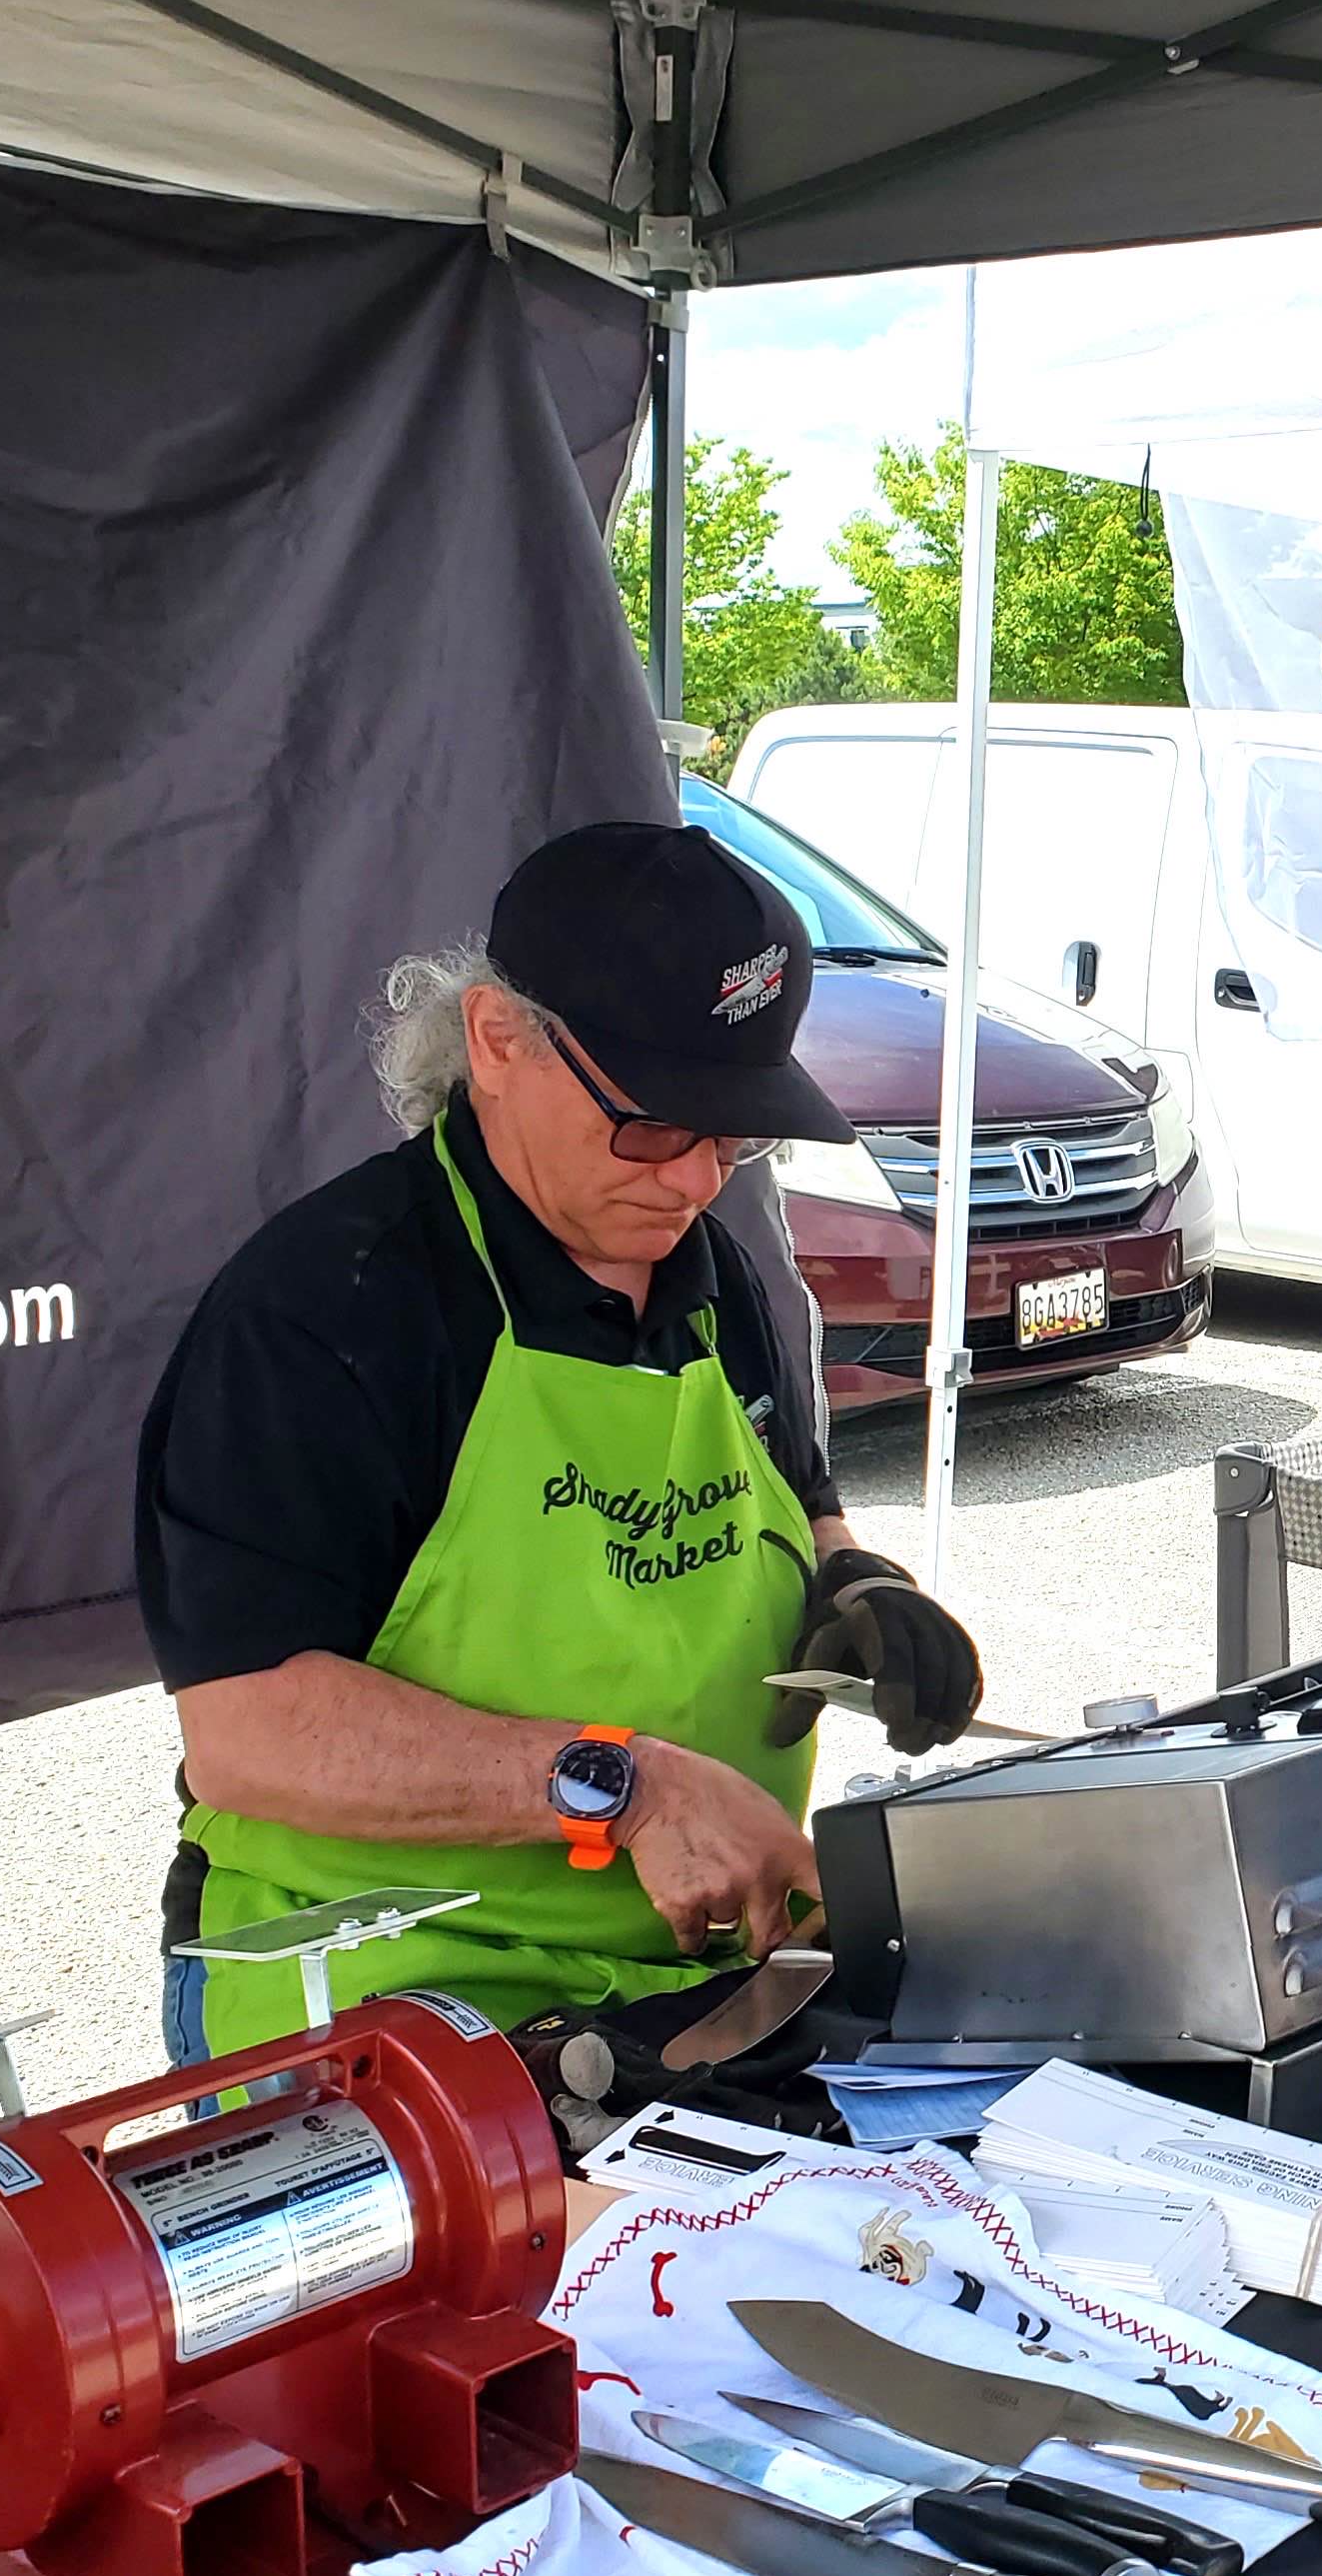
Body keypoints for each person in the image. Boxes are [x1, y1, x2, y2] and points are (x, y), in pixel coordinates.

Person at [134, 824, 984, 2059]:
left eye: (734, 1135)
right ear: (496, 1040)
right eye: (651, 1125)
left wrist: (859, 1586)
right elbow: (253, 1731)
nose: (696, 1179)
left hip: (689, 1970)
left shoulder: (712, 1276)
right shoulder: (327, 1310)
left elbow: (797, 1501)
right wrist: (623, 1786)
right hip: (380, 1983)